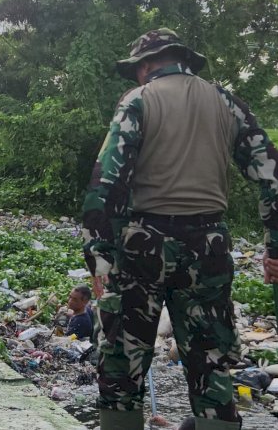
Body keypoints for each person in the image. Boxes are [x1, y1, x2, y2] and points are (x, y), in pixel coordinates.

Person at [82, 28, 278, 430]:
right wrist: (273, 247)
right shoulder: (227, 102)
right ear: (183, 59)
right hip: (210, 248)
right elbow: (271, 177)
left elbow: (106, 184)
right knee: (212, 364)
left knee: (122, 362)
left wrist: (100, 255)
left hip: (144, 246)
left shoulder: (139, 100)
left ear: (146, 65)